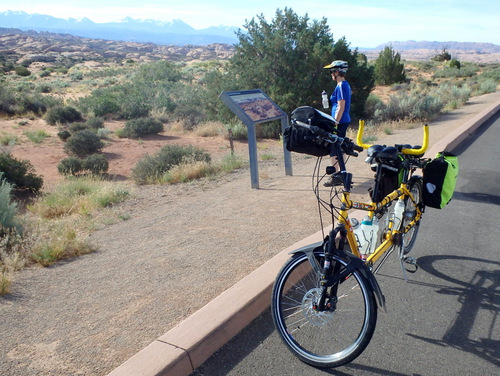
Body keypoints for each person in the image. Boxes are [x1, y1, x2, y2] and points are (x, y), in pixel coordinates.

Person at [322, 60, 352, 187]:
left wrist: (335, 122)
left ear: (337, 72)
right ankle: (341, 173)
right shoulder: (345, 85)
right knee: (339, 146)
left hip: (340, 121)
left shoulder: (340, 86)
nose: (331, 74)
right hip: (344, 120)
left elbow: (341, 106)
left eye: (332, 71)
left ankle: (337, 175)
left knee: (334, 147)